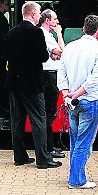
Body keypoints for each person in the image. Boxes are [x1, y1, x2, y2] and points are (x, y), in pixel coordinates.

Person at [6, 1, 61, 169]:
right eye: (38, 14)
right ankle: (43, 159)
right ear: (32, 14)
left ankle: (20, 156)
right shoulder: (36, 32)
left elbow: (7, 54)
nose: (39, 17)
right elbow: (43, 57)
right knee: (39, 119)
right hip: (32, 82)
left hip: (14, 81)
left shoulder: (12, 32)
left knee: (17, 120)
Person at [59, 14, 98, 189]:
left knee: (75, 139)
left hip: (71, 101)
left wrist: (67, 94)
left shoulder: (70, 47)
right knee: (84, 142)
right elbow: (94, 79)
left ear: (84, 29)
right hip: (90, 100)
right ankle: (76, 180)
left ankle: (77, 174)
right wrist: (77, 94)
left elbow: (61, 73)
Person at [39, 9, 66, 159]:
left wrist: (55, 53)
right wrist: (60, 34)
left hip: (49, 74)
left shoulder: (47, 35)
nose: (57, 22)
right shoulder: (45, 34)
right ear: (48, 20)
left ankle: (49, 146)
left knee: (48, 113)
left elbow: (56, 54)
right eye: (55, 19)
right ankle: (48, 148)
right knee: (48, 113)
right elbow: (62, 51)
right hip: (49, 76)